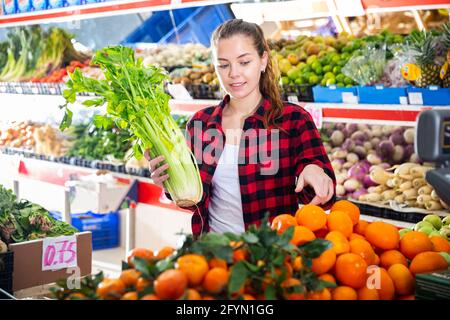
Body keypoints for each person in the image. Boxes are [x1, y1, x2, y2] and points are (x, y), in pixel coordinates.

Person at [146, 19, 336, 237]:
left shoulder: (293, 120)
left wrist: (313, 170)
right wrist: (170, 184)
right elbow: (195, 203)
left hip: (272, 256)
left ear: (263, 60)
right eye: (224, 65)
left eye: (244, 62)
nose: (234, 73)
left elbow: (326, 199)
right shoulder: (201, 124)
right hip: (214, 256)